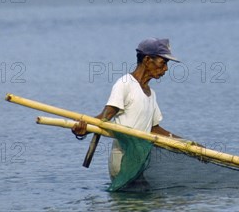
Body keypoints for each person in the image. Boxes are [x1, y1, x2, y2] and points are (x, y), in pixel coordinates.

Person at [72, 37, 182, 179]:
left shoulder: (151, 94)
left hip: (140, 161)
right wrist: (82, 129)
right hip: (123, 162)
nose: (166, 68)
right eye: (163, 62)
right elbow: (105, 117)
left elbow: (154, 129)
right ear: (148, 60)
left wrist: (187, 144)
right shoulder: (125, 84)